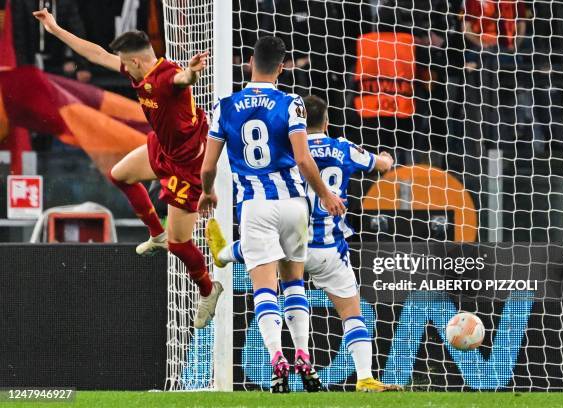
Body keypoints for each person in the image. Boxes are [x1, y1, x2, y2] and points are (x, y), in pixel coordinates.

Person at [32, 8, 223, 329]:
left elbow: (182, 79)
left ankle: (208, 289)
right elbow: (97, 54)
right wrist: (56, 30)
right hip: (164, 146)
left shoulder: (166, 77)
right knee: (120, 174)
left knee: (181, 244)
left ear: (135, 62)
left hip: (189, 162)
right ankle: (156, 234)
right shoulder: (140, 70)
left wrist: (192, 73)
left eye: (123, 61)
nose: (119, 64)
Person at [205, 95, 402, 392]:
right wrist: (387, 159)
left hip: (291, 235)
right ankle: (364, 377)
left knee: (261, 252)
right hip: (329, 248)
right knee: (352, 313)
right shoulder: (343, 148)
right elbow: (380, 164)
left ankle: (223, 253)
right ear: (326, 121)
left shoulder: (287, 149)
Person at [197, 37, 346, 393]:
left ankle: (277, 360)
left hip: (254, 207)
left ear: (249, 62)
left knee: (264, 288)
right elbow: (303, 159)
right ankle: (304, 358)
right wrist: (325, 194)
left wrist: (207, 192)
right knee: (294, 282)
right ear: (281, 67)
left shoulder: (225, 106)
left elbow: (207, 166)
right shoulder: (291, 103)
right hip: (294, 204)